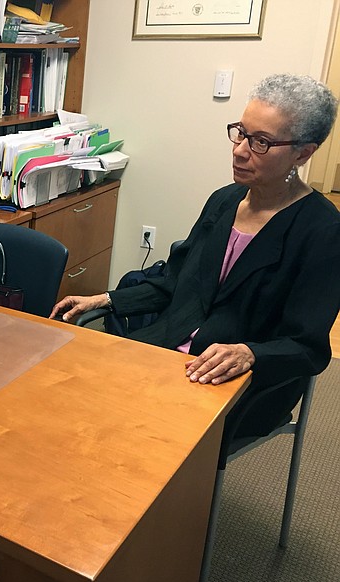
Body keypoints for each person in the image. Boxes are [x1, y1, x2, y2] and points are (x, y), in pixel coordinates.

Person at [51, 73, 340, 438]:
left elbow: (307, 347)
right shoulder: (224, 201)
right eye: (241, 133)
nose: (239, 150)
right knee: (72, 388)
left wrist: (251, 353)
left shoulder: (323, 230)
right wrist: (107, 298)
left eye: (261, 142)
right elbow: (175, 281)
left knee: (129, 425)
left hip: (242, 381)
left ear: (303, 152)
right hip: (169, 350)